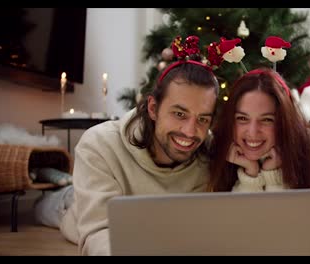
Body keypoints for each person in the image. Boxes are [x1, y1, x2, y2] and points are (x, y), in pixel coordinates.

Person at [45, 60, 220, 255]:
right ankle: (59, 185)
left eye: (203, 119)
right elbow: (99, 233)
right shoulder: (100, 144)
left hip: (147, 232)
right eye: (179, 114)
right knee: (49, 204)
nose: (190, 131)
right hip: (72, 209)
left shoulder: (209, 152)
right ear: (153, 108)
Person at [207, 68, 310, 246]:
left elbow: (308, 237)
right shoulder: (226, 145)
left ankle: (302, 108)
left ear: (281, 121)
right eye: (242, 118)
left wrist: (272, 176)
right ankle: (302, 108)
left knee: (300, 122)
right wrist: (251, 174)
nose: (252, 132)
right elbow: (240, 226)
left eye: (267, 119)